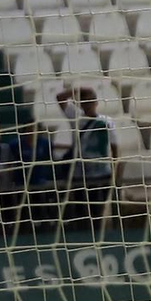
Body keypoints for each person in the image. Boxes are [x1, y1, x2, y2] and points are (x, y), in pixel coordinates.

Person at [57, 86, 117, 226]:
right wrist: (78, 90)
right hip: (81, 175)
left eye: (91, 101)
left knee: (98, 212)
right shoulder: (76, 118)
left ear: (96, 102)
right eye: (85, 101)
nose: (88, 104)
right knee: (82, 213)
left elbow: (115, 148)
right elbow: (60, 98)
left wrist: (115, 172)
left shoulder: (106, 121)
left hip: (102, 174)